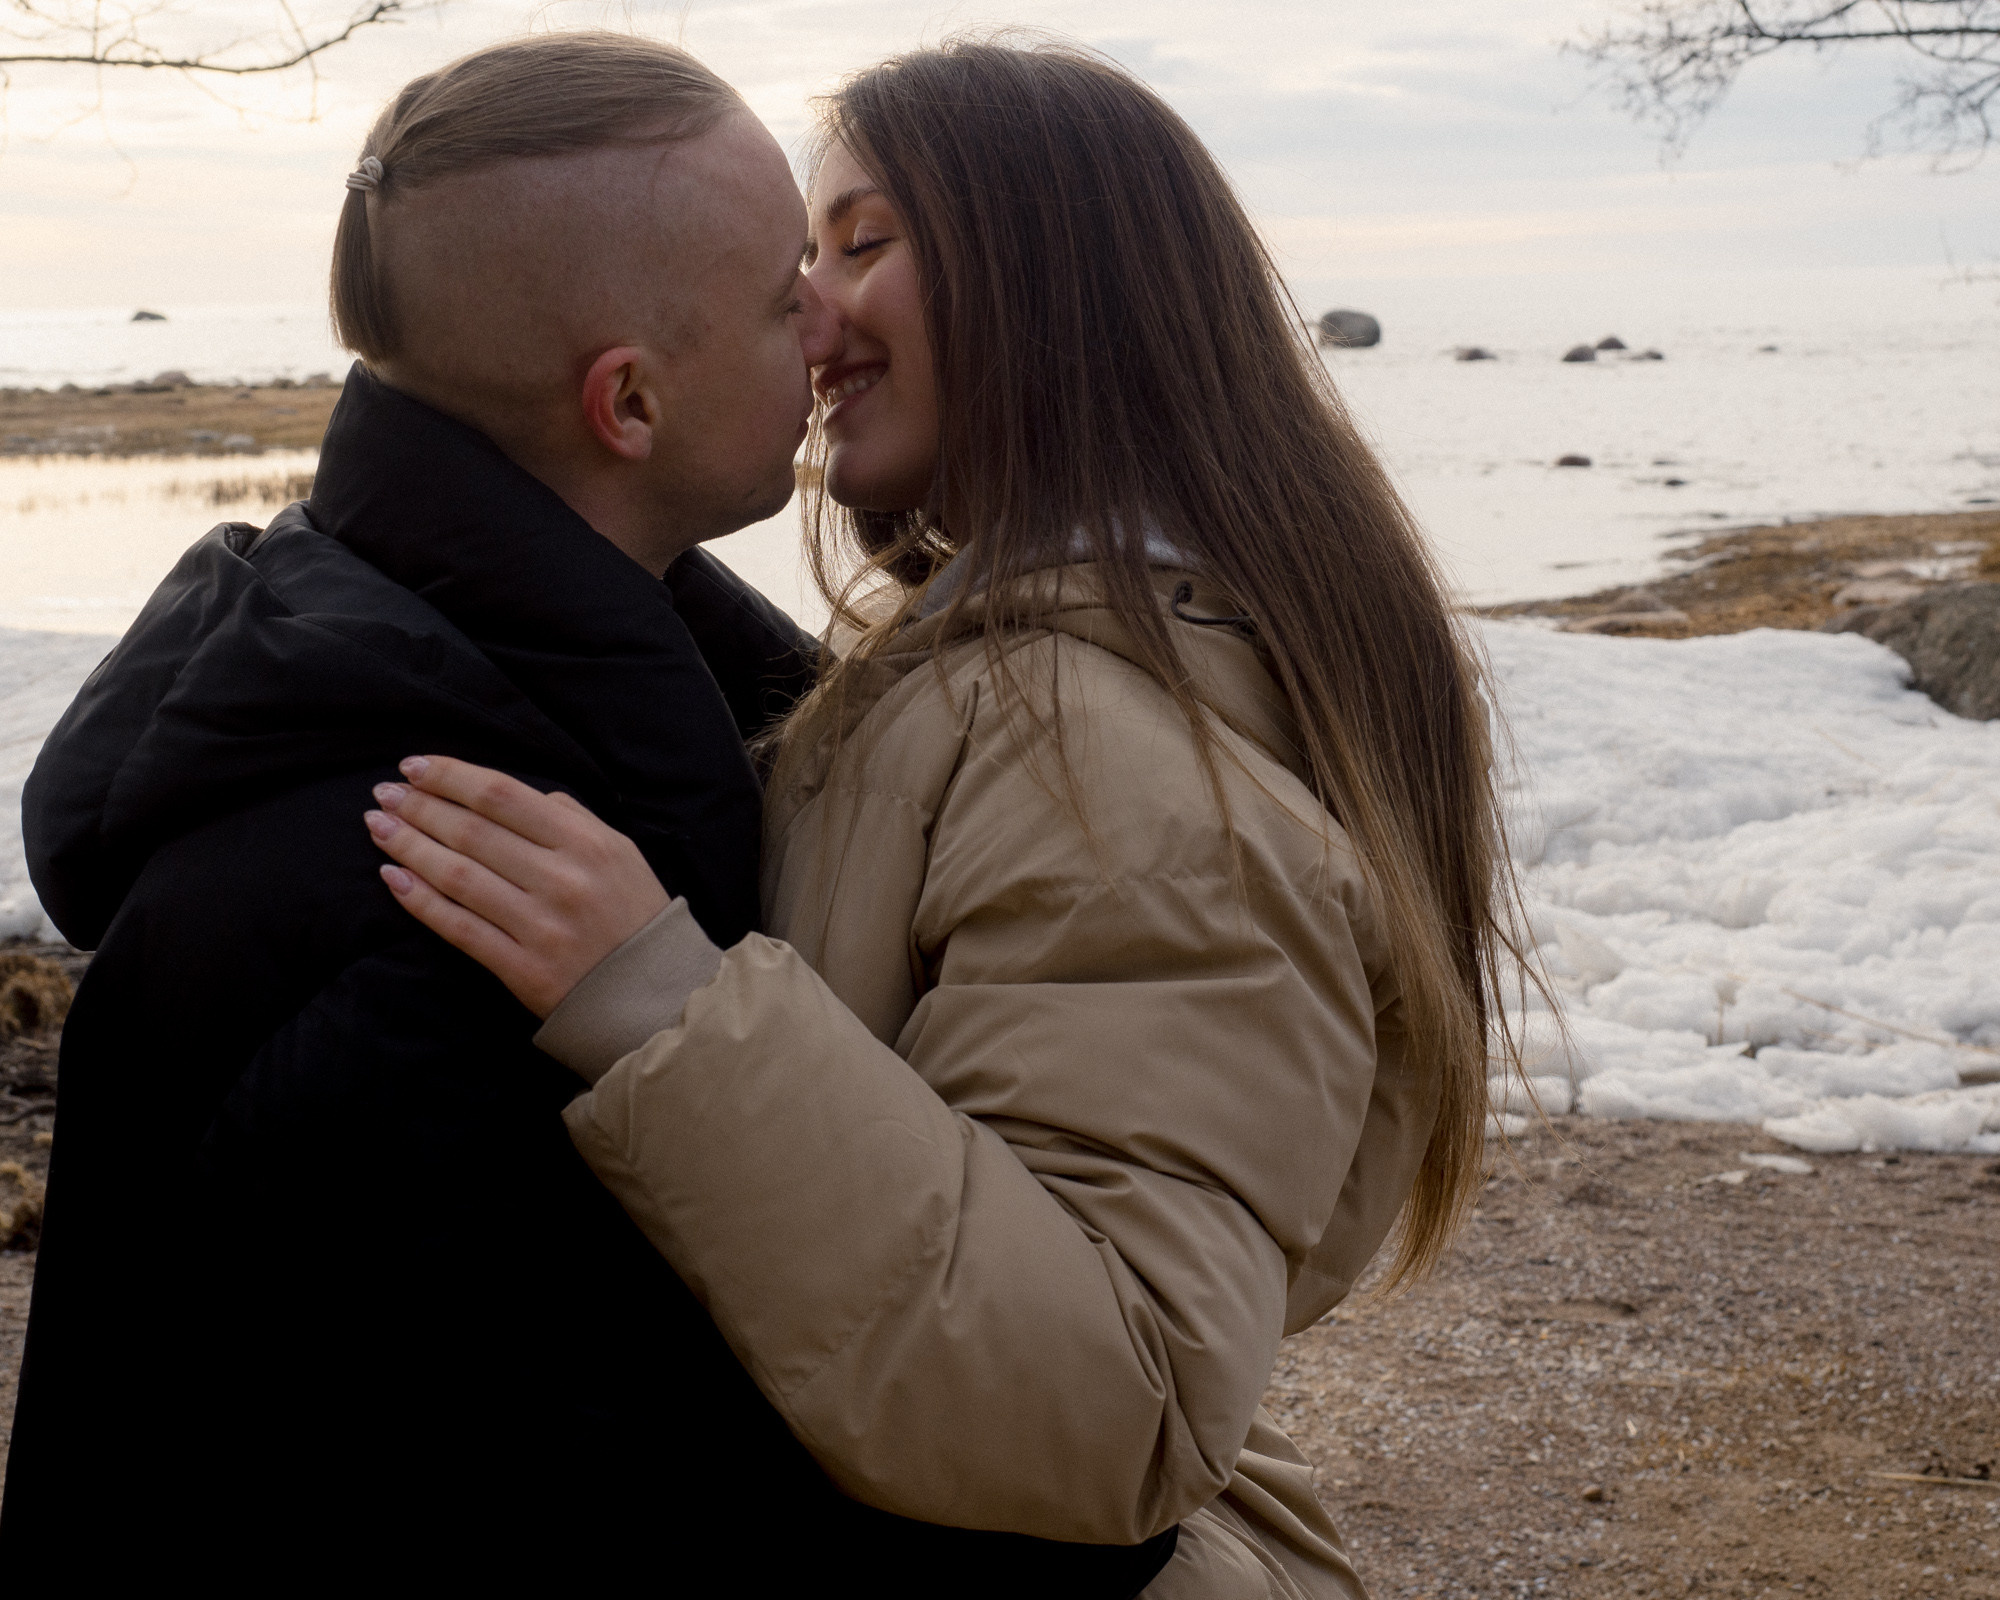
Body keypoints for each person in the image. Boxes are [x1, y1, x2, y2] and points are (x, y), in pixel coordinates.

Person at [0, 33, 1176, 1593]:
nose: (832, 323)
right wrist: (1098, 1531)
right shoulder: (431, 860)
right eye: (780, 293)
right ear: (628, 403)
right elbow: (587, 1503)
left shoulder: (541, 711)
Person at [365, 37, 1532, 1600]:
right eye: (799, 256)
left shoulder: (1121, 757)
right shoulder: (997, 681)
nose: (806, 310)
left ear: (1058, 279)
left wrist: (660, 1008)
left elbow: (1119, 1401)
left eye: (865, 242)